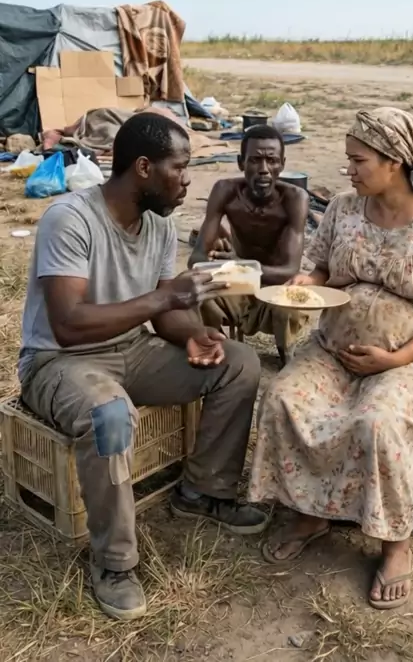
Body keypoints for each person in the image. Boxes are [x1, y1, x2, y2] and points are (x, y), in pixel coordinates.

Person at [19, 112, 267, 623]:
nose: (187, 179)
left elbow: (165, 311)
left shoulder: (159, 223)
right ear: (144, 168)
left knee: (239, 362)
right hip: (59, 361)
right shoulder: (70, 219)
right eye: (180, 167)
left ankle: (205, 491)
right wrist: (163, 300)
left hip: (131, 348)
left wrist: (192, 334)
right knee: (110, 415)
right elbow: (68, 325)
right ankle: (114, 563)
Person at [249, 107, 413, 610]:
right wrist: (305, 284)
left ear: (395, 161)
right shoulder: (343, 208)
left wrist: (395, 359)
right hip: (333, 349)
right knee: (284, 398)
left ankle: (395, 543)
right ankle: (311, 513)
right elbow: (322, 270)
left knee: (376, 421)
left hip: (412, 359)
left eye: (359, 160)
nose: (348, 169)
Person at [189, 124, 309, 364]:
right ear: (240, 163)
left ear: (282, 164)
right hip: (238, 286)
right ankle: (218, 348)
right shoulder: (225, 191)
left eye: (271, 161)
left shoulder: (295, 199)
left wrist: (239, 265)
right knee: (196, 291)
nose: (264, 169)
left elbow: (289, 271)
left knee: (289, 304)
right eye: (254, 160)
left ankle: (286, 353)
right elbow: (196, 260)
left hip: (276, 288)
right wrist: (219, 262)